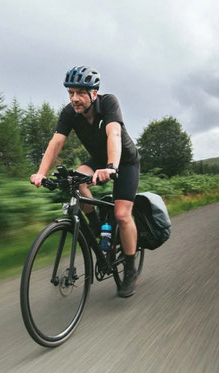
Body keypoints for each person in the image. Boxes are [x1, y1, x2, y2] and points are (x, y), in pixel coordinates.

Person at [30, 66, 141, 297]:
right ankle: (96, 224)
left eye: (80, 92)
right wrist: (40, 173)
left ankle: (130, 268)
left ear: (94, 93)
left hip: (125, 161)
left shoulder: (109, 103)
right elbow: (56, 143)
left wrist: (111, 167)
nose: (74, 99)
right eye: (70, 93)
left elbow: (115, 134)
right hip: (96, 160)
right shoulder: (70, 113)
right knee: (76, 179)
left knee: (121, 214)